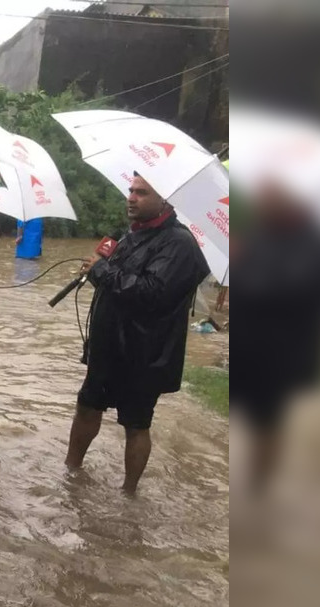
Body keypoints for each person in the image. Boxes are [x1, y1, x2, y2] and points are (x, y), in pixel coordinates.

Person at [65, 174, 211, 493]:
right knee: (87, 406)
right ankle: (70, 473)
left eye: (142, 192)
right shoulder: (131, 235)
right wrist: (94, 272)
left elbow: (151, 293)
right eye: (131, 190)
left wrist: (101, 271)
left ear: (167, 200)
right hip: (109, 346)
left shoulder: (180, 243)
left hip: (146, 354)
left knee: (136, 423)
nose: (131, 197)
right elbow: (116, 284)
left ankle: (129, 492)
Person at [230, 183, 320, 495]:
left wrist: (245, 268)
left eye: (273, 199)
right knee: (246, 418)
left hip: (284, 352)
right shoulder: (262, 235)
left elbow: (292, 291)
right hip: (250, 345)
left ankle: (260, 489)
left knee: (268, 422)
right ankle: (247, 477)